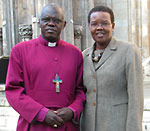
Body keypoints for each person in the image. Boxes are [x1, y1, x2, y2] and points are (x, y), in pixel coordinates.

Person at [5, 3, 86, 131]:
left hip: (66, 125)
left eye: (56, 20)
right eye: (46, 20)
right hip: (33, 124)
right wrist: (41, 113)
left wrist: (72, 110)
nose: (51, 24)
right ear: (39, 23)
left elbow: (80, 90)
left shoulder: (75, 54)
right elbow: (13, 90)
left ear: (64, 25)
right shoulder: (20, 51)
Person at [81, 6, 143, 131]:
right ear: (89, 27)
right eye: (94, 24)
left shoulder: (128, 51)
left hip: (117, 125)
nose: (99, 28)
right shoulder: (83, 56)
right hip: (88, 126)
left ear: (112, 26)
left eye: (104, 23)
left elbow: (136, 98)